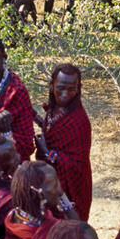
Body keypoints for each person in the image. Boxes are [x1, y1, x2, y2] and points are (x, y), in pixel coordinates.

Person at [4, 159, 81, 239]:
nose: (60, 190)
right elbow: (80, 235)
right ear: (39, 195)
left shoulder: (16, 215)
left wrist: (63, 199)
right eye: (54, 185)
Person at [35, 63, 93, 221]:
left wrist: (47, 152)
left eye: (71, 89)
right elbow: (52, 127)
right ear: (52, 86)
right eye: (61, 87)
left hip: (71, 186)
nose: (65, 94)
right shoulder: (54, 109)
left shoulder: (79, 121)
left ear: (78, 89)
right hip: (48, 179)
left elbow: (77, 166)